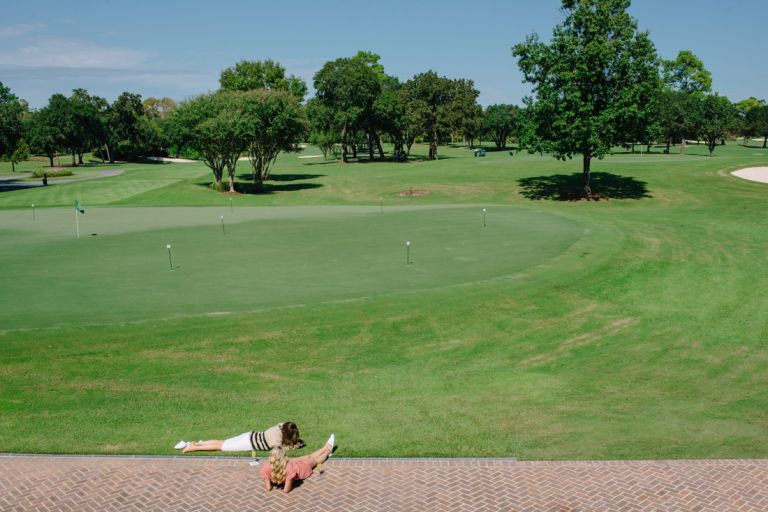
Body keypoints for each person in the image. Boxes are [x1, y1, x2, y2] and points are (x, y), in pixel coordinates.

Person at [261, 434, 335, 494]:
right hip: (301, 469)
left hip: (291, 464)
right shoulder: (288, 469)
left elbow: (268, 488)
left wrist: (269, 481)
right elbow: (286, 490)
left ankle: (324, 448)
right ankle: (328, 451)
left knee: (308, 456)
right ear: (282, 456)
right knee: (315, 461)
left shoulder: (266, 467)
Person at [174, 422, 303, 453]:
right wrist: (292, 447)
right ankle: (193, 448)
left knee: (222, 442)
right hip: (249, 444)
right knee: (221, 447)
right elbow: (277, 451)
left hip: (250, 435)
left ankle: (198, 443)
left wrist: (292, 442)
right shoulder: (277, 440)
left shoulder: (281, 425)